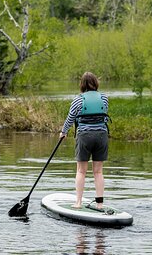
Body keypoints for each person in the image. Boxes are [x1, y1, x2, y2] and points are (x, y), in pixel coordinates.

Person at [59, 71, 111, 212]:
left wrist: (63, 132)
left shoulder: (78, 100)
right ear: (96, 83)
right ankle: (100, 204)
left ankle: (78, 202)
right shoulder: (104, 98)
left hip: (85, 136)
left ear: (82, 84)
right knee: (98, 172)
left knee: (81, 171)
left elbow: (70, 119)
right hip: (101, 135)